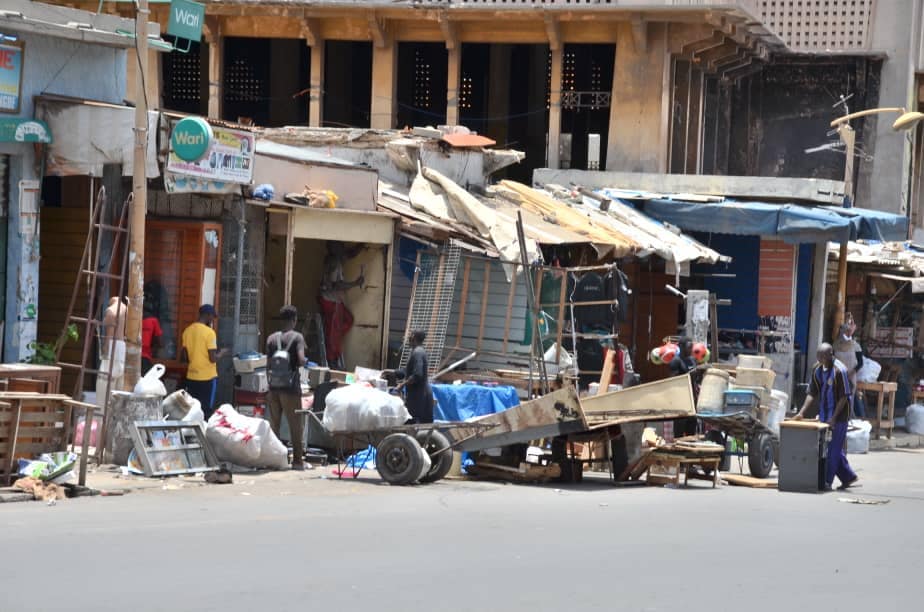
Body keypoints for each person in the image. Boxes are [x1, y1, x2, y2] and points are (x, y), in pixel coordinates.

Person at [795, 343, 859, 491]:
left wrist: (834, 418)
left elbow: (844, 397)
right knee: (831, 447)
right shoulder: (817, 369)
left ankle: (827, 481)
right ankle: (849, 476)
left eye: (823, 357)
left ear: (831, 355)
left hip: (840, 416)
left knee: (832, 450)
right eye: (819, 357)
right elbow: (812, 391)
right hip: (825, 414)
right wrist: (802, 412)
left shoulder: (839, 370)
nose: (821, 360)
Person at [266, 305, 308, 470]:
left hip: (273, 387)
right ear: (294, 319)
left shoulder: (271, 338)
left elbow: (268, 364)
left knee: (274, 425)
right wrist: (305, 361)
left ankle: (274, 460)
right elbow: (301, 359)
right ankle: (297, 461)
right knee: (295, 425)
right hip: (290, 389)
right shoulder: (297, 337)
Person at [318, 241, 364, 367]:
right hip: (330, 300)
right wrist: (355, 283)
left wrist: (361, 245)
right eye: (340, 245)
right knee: (333, 331)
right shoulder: (334, 262)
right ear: (334, 248)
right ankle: (331, 358)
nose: (343, 246)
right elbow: (336, 284)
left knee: (344, 323)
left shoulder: (336, 258)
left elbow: (349, 254)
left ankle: (333, 350)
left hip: (333, 299)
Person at [181, 305, 228, 419]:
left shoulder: (187, 331)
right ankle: (204, 433)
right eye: (212, 317)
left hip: (191, 377)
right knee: (206, 410)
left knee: (192, 409)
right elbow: (213, 358)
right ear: (207, 315)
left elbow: (184, 357)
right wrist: (222, 353)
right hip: (207, 378)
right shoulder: (209, 333)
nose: (212, 320)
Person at [395, 331, 434, 424]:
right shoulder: (417, 351)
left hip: (419, 396)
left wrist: (401, 385)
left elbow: (417, 375)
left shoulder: (418, 352)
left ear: (414, 337)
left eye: (410, 335)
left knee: (413, 423)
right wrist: (390, 372)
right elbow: (407, 372)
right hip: (419, 395)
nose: (408, 338)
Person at [669, 337, 701, 437]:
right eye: (688, 347)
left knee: (691, 427)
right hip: (681, 399)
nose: (691, 349)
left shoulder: (693, 360)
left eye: (692, 347)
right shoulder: (676, 361)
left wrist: (700, 372)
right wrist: (692, 373)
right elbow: (673, 380)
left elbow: (697, 379)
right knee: (679, 427)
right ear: (681, 347)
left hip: (692, 398)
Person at [833, 320, 865, 418]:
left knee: (848, 400)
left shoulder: (856, 346)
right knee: (836, 398)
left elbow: (860, 363)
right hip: (837, 376)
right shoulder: (835, 345)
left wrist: (852, 372)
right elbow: (832, 360)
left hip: (850, 377)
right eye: (844, 330)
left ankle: (848, 418)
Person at [141, 302, 163, 376]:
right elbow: (159, 340)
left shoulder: (134, 319)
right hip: (146, 355)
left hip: (133, 354)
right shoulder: (153, 320)